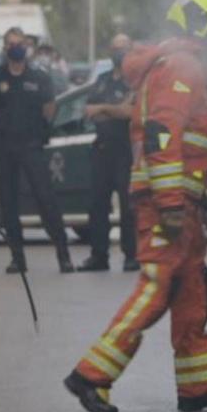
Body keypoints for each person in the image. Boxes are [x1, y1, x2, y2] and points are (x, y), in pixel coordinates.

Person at [64, 0, 207, 412]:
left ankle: (198, 386)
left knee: (190, 291)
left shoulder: (182, 67)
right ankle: (91, 375)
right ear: (201, 26)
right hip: (168, 202)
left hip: (184, 201)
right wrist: (168, 202)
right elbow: (161, 134)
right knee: (155, 288)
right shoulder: (180, 67)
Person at [0, 34, 74, 274]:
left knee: (46, 199)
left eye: (19, 43)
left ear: (27, 48)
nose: (15, 48)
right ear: (5, 48)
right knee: (8, 204)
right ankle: (17, 258)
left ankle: (64, 256)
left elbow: (49, 109)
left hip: (31, 146)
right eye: (11, 44)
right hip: (4, 148)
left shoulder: (39, 78)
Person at [80, 33, 139, 273]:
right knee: (97, 205)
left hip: (125, 150)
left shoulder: (134, 81)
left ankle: (131, 255)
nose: (119, 53)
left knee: (128, 207)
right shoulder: (102, 80)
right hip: (102, 148)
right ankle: (99, 255)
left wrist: (104, 108)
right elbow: (88, 111)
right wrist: (111, 110)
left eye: (123, 48)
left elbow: (128, 112)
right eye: (115, 48)